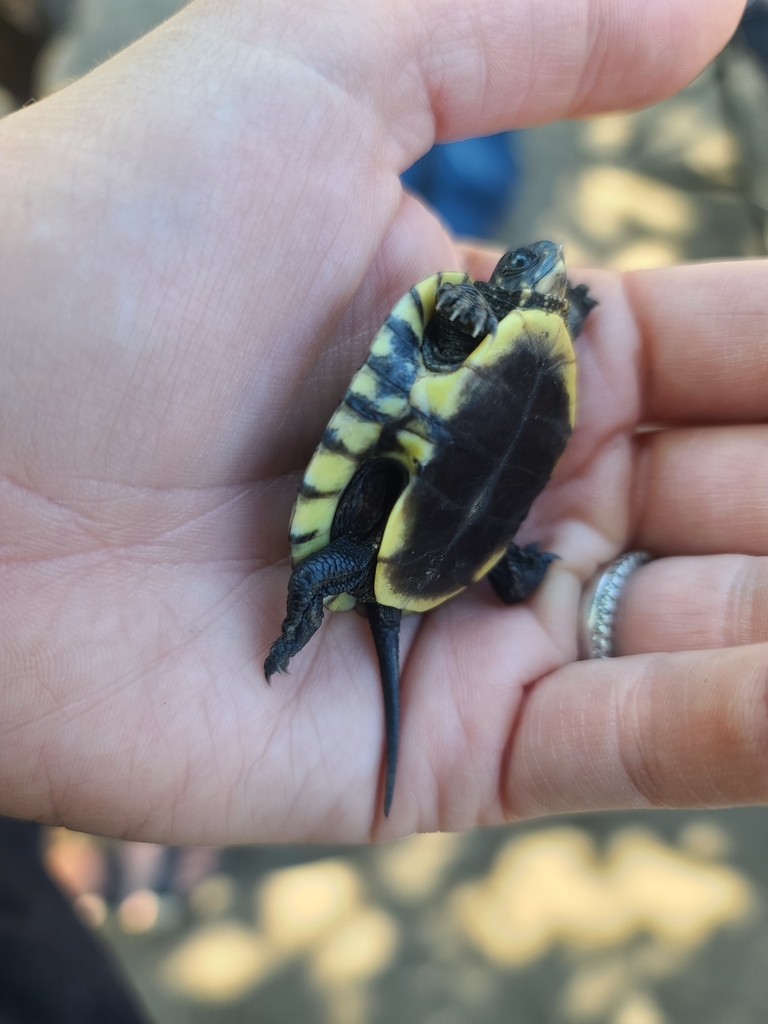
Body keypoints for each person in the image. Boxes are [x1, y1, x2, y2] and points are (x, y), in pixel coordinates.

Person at [0, 0, 761, 846]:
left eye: (539, 278)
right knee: (369, 557)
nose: (540, 267)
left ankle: (375, 590)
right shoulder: (507, 325)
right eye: (532, 273)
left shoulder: (501, 324)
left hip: (441, 509)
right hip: (448, 528)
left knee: (359, 561)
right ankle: (362, 599)